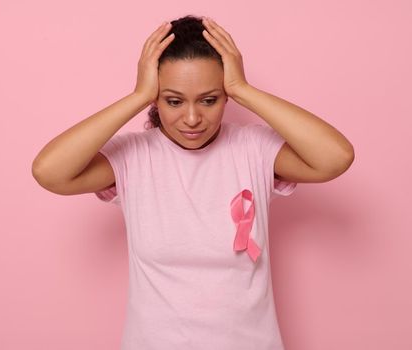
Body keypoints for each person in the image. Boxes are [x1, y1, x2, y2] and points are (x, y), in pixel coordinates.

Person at [32, 15, 354, 350]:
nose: (191, 118)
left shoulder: (253, 148)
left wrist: (245, 90)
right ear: (156, 97)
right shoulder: (133, 156)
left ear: (226, 96)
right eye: (173, 100)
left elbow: (335, 157)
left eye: (209, 99)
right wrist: (137, 96)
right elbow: (49, 172)